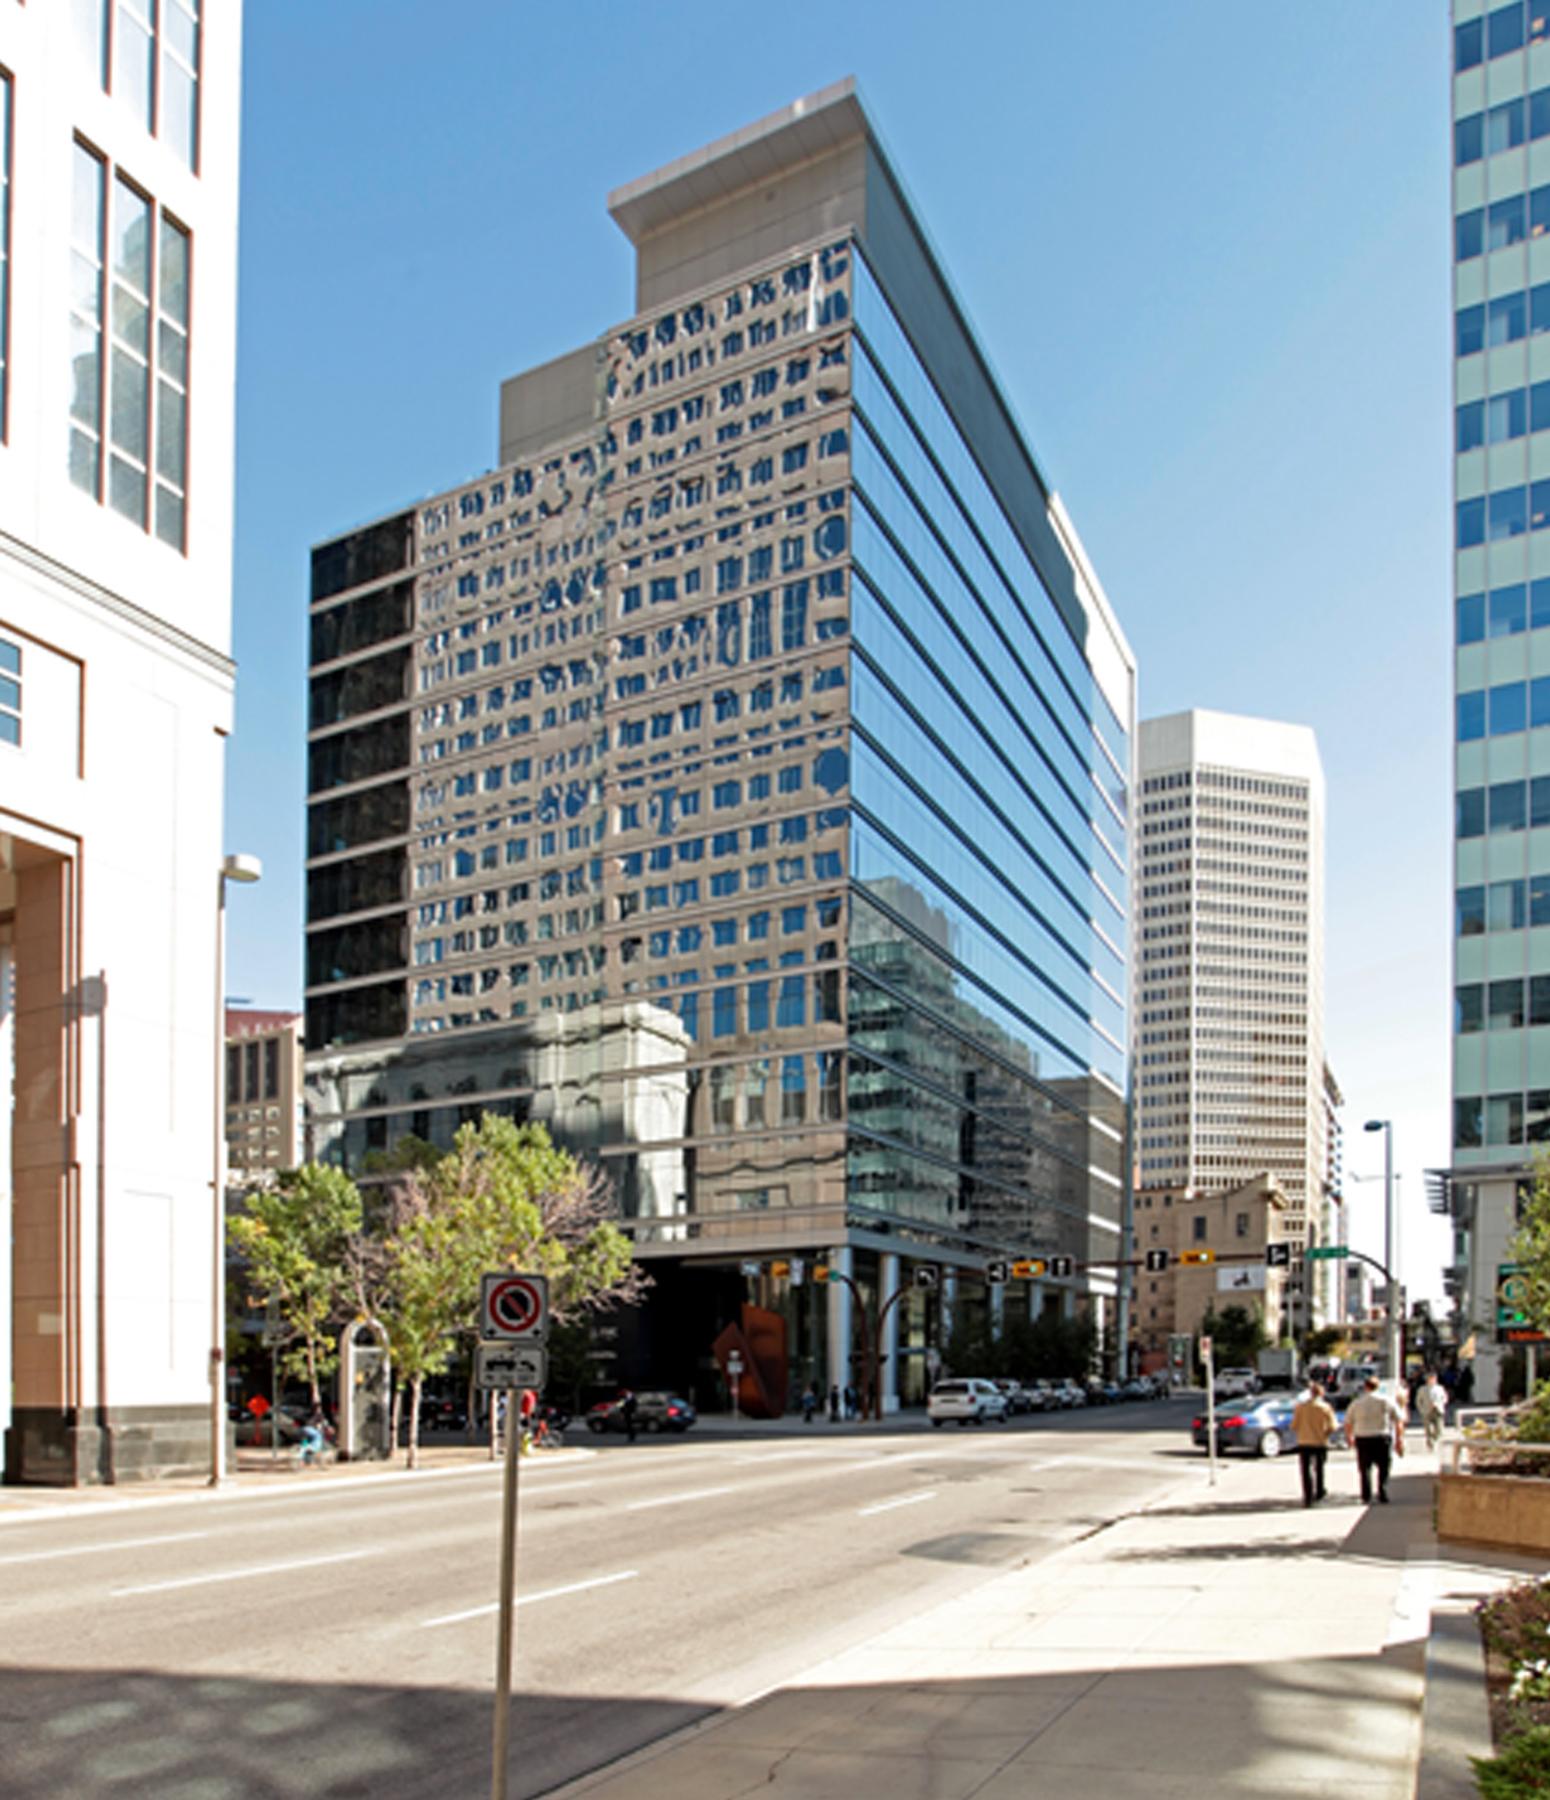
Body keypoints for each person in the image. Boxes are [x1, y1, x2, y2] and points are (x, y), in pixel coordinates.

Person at [1345, 1376, 1404, 1504]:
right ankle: (1382, 1491)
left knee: (1364, 1468)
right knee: (1384, 1466)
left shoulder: (1357, 1403)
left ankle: (1366, 1495)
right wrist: (1399, 1439)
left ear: (1365, 1387)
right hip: (1381, 1437)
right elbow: (1398, 1420)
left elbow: (1348, 1422)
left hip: (1362, 1437)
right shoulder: (1386, 1401)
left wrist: (1349, 1437)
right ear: (1378, 1387)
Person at [1291, 1381, 1338, 1507]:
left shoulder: (1300, 1407)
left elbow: (1294, 1425)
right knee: (1319, 1468)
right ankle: (1319, 1492)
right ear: (1321, 1394)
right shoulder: (1325, 1407)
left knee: (1305, 1470)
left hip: (1304, 1441)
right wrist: (1326, 1433)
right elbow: (1333, 1426)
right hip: (1319, 1441)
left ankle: (1308, 1496)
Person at [1417, 1371, 1449, 1449]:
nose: (1432, 1380)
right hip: (1426, 1411)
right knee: (1428, 1429)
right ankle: (1430, 1441)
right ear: (1427, 1380)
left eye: (1434, 1379)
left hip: (1438, 1410)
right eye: (1431, 1379)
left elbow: (1444, 1398)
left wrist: (1440, 1404)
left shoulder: (1440, 1388)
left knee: (1439, 1429)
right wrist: (1421, 1410)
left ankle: (1434, 1438)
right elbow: (1418, 1401)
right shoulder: (1422, 1389)